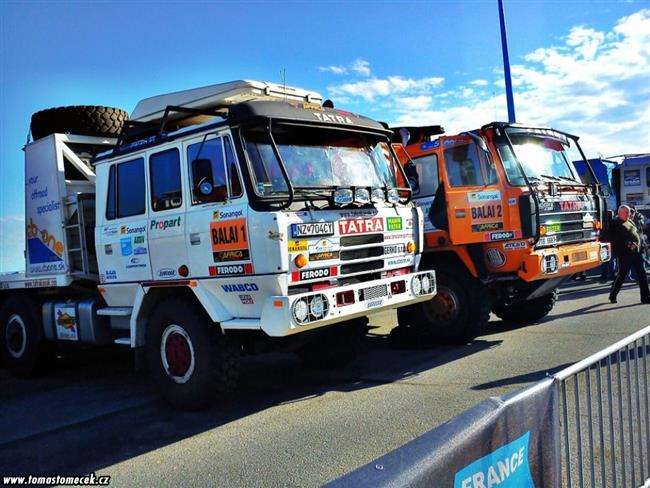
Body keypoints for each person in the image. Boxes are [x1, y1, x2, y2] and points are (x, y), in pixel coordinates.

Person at [608, 205, 650, 304]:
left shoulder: (630, 221)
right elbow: (614, 239)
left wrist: (643, 244)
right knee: (621, 276)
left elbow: (637, 234)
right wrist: (628, 244)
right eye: (626, 213)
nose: (629, 214)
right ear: (619, 213)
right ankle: (613, 295)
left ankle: (645, 298)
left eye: (629, 212)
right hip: (625, 255)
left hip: (637, 253)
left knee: (642, 275)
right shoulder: (614, 223)